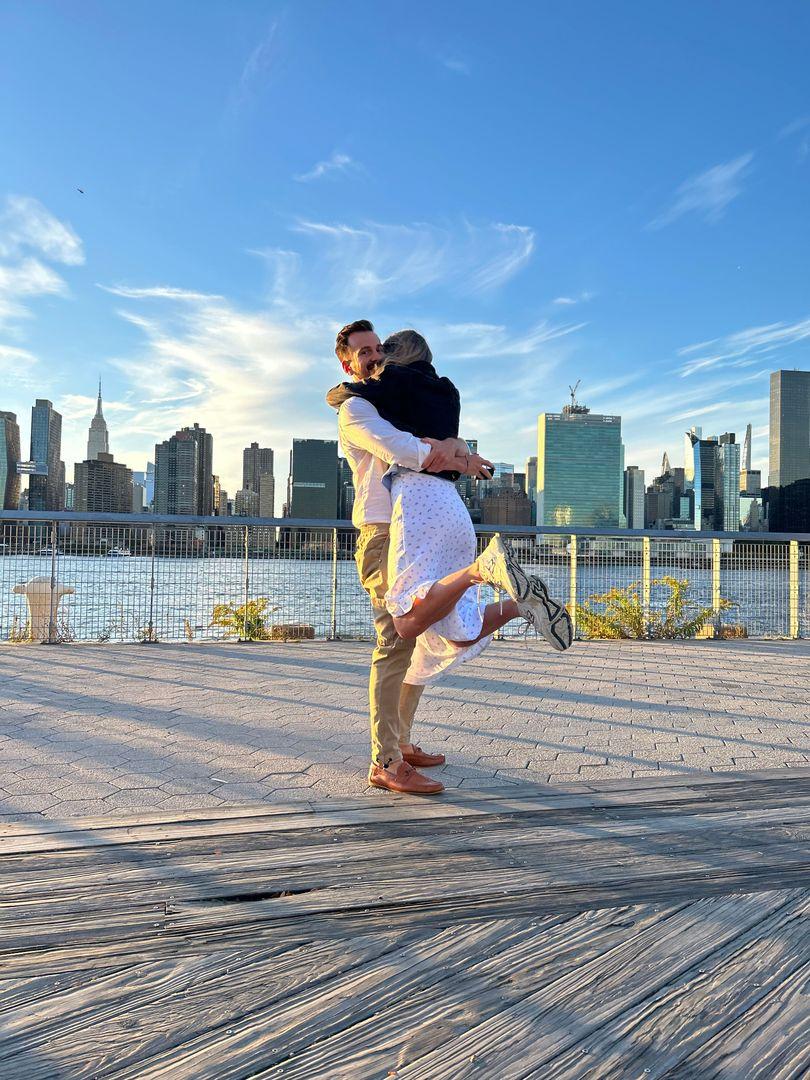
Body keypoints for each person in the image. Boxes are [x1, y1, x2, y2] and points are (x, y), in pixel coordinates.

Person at [330, 323, 573, 796]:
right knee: (396, 640)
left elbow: (430, 443)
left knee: (424, 634)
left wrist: (456, 452)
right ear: (347, 363)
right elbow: (406, 451)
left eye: (380, 348)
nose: (375, 355)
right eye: (364, 352)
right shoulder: (355, 407)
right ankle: (386, 760)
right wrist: (455, 452)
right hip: (384, 533)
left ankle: (399, 743)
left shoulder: (394, 399)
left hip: (417, 523)